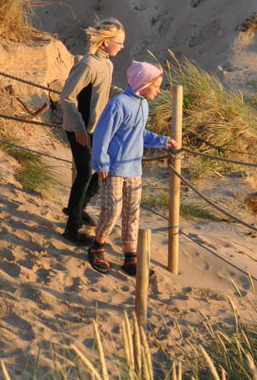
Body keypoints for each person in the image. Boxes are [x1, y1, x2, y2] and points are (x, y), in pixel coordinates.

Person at [87, 61, 178, 275]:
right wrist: (101, 162)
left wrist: (163, 141)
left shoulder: (143, 104)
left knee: (132, 212)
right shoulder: (118, 104)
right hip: (114, 169)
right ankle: (97, 247)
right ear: (144, 83)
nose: (158, 89)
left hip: (134, 168)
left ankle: (130, 257)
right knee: (112, 210)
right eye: (156, 85)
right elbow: (102, 134)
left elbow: (139, 133)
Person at [58, 18, 125, 245]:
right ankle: (72, 227)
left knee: (108, 165)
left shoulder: (107, 64)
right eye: (119, 42)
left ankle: (77, 208)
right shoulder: (87, 65)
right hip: (79, 128)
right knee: (86, 173)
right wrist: (78, 128)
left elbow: (103, 91)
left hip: (95, 127)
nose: (121, 46)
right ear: (105, 42)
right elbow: (67, 97)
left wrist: (127, 95)